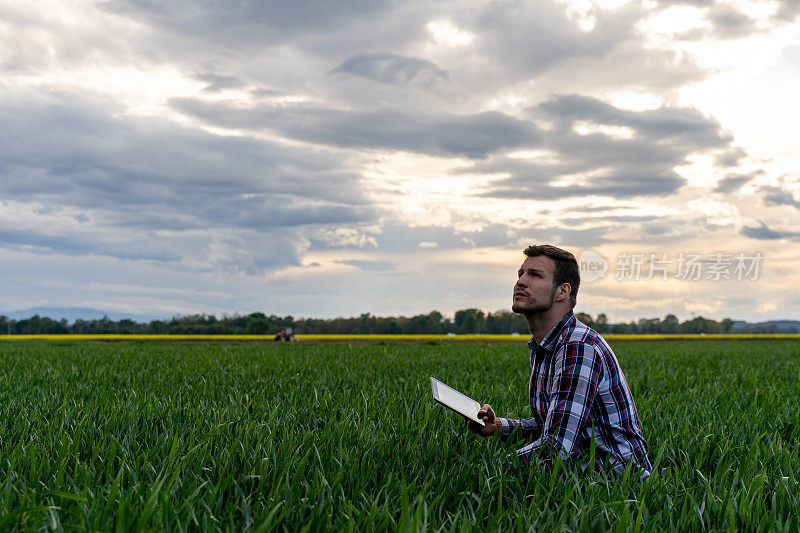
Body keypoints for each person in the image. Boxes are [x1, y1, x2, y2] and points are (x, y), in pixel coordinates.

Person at [466, 244, 651, 476]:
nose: (521, 282)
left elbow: (555, 449)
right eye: (520, 274)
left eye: (535, 275)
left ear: (562, 292)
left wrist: (488, 471)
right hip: (584, 467)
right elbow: (551, 426)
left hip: (617, 479)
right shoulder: (545, 344)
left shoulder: (578, 347)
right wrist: (499, 427)